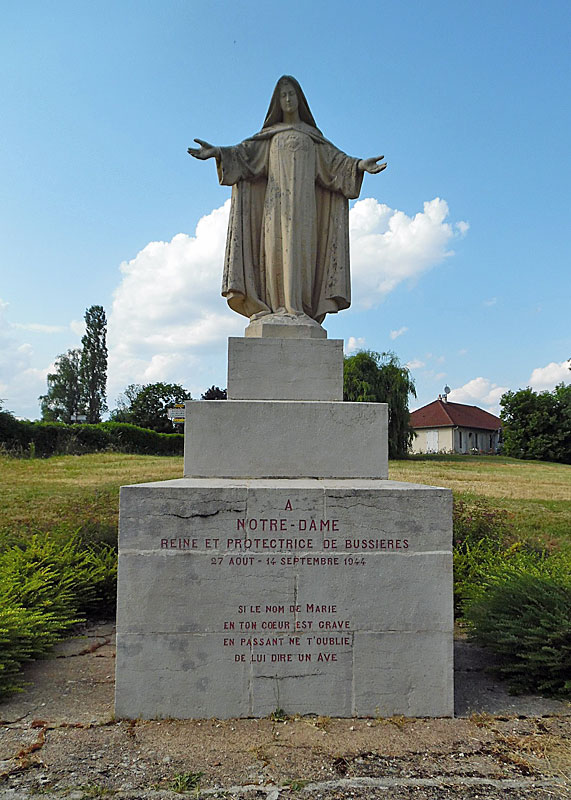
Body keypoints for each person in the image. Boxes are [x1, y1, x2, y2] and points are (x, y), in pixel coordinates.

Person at [188, 75, 386, 325]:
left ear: (299, 99)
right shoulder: (270, 137)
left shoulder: (312, 138)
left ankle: (300, 309)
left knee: (303, 253)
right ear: (277, 102)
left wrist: (359, 165)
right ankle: (275, 307)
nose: (288, 99)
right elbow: (244, 157)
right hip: (274, 207)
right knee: (274, 253)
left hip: (305, 208)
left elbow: (335, 164)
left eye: (292, 94)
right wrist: (218, 152)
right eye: (283, 95)